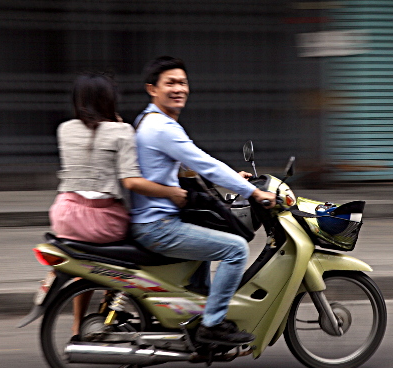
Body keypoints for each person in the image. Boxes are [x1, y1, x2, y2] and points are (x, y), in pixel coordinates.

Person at [130, 56, 276, 345]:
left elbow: (185, 166)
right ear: (152, 89)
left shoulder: (146, 120)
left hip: (152, 220)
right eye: (169, 83)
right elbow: (205, 162)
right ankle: (212, 324)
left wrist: (233, 177)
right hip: (158, 225)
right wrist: (255, 193)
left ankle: (197, 314)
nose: (178, 89)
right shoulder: (162, 127)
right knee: (235, 249)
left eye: (182, 83)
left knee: (211, 238)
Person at [49, 72, 187, 338]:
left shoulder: (64, 129)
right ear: (109, 100)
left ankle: (78, 323)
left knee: (86, 262)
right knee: (137, 243)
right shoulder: (122, 131)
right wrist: (170, 192)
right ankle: (116, 303)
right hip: (102, 220)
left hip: (64, 214)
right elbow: (131, 179)